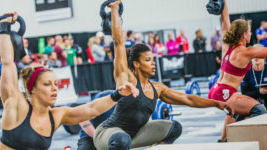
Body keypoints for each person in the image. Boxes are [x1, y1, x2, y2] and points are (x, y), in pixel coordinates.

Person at [93, 1, 234, 150]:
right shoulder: (125, 78)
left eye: (153, 59)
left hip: (135, 135)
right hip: (109, 134)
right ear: (136, 64)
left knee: (174, 128)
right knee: (122, 140)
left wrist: (216, 103)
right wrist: (114, 10)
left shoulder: (157, 89)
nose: (153, 63)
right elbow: (118, 43)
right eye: (148, 60)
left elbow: (188, 98)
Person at [0, 12, 139, 150]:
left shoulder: (56, 116)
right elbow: (7, 62)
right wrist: (3, 27)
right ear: (32, 88)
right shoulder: (16, 106)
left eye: (56, 84)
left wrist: (117, 94)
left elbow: (91, 109)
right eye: (47, 84)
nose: (54, 88)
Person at [208, 0, 267, 142]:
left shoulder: (227, 45)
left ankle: (224, 141)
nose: (251, 33)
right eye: (249, 31)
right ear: (243, 35)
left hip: (216, 90)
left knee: (235, 111)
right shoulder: (246, 52)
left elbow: (225, 20)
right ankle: (247, 142)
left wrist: (223, 3)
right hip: (225, 93)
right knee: (259, 110)